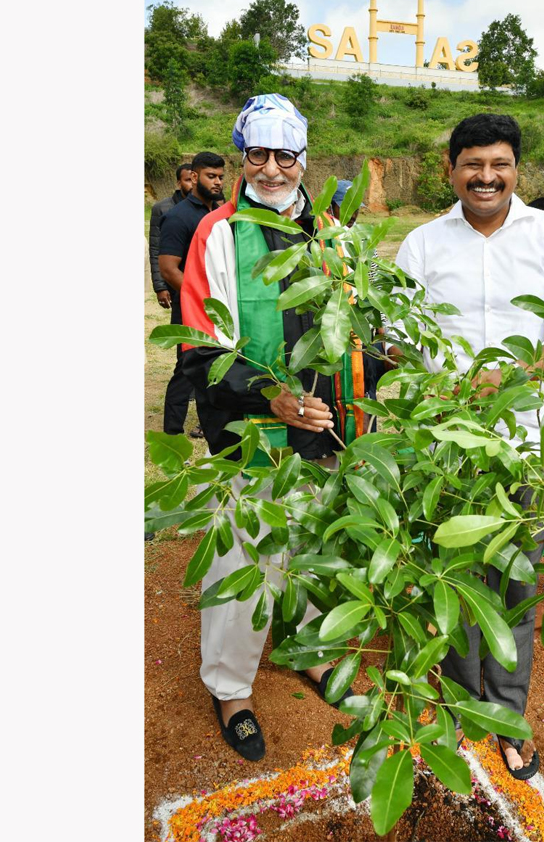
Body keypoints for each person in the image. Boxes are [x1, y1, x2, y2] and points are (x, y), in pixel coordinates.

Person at [389, 113, 544, 780]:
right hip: (445, 447)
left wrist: (511, 375)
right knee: (450, 579)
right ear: (450, 169)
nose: (486, 176)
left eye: (498, 163)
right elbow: (395, 337)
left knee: (512, 584)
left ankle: (506, 713)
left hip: (528, 444)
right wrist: (441, 384)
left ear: (515, 169)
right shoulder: (420, 244)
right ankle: (461, 699)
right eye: (472, 163)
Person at [176, 94, 374, 761]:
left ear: (303, 160)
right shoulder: (221, 233)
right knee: (244, 559)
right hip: (250, 435)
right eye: (257, 154)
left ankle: (313, 654)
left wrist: (382, 359)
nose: (271, 169)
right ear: (242, 157)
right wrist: (273, 398)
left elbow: (350, 331)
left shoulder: (333, 236)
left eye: (283, 155)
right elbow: (202, 347)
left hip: (326, 431)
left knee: (316, 549)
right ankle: (230, 687)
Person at [157, 152, 227, 438]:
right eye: (211, 176)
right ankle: (172, 434)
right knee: (186, 371)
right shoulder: (177, 217)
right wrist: (199, 299)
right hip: (191, 307)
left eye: (221, 176)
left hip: (220, 306)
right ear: (194, 177)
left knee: (217, 369)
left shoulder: (220, 214)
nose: (218, 182)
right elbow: (169, 268)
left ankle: (210, 429)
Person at [149, 164, 195, 310]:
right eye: (187, 180)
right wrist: (160, 287)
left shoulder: (207, 207)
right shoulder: (162, 208)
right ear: (178, 183)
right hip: (173, 278)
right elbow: (155, 247)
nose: (192, 184)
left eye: (194, 179)